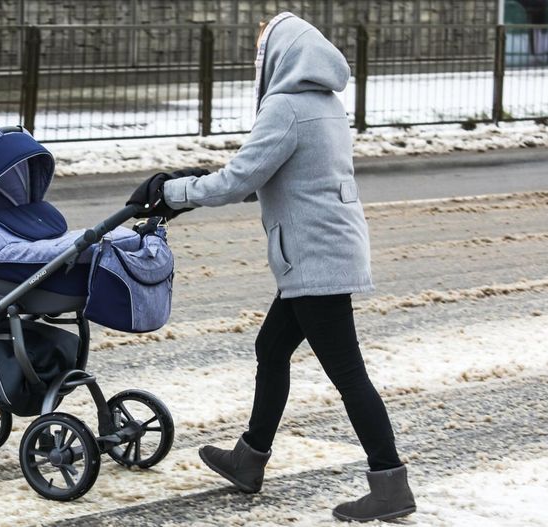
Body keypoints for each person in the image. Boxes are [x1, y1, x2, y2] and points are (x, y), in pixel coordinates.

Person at [126, 13, 416, 523]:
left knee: (348, 373)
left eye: (261, 50)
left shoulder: (285, 107)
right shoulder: (326, 104)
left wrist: (172, 191)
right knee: (272, 347)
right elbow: (275, 176)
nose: (256, 60)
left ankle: (389, 482)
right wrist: (195, 182)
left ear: (281, 55)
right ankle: (249, 459)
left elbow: (240, 180)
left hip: (312, 256)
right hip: (327, 247)